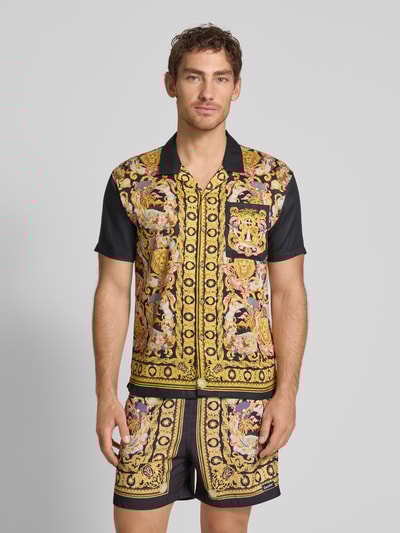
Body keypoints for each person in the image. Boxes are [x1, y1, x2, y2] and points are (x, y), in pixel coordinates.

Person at [92, 22, 308, 533]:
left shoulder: (272, 180)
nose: (207, 92)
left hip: (243, 401)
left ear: (237, 87)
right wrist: (105, 395)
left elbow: (288, 292)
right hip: (152, 396)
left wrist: (287, 394)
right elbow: (113, 289)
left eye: (220, 78)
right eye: (194, 77)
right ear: (171, 83)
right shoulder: (132, 181)